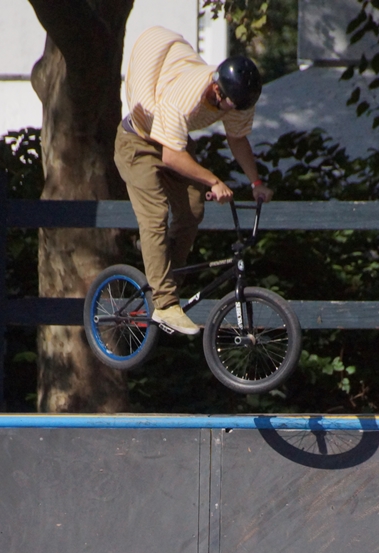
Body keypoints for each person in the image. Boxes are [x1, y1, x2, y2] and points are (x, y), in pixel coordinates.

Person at [114, 26, 275, 336]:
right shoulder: (183, 98)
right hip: (137, 143)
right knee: (155, 215)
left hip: (174, 141)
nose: (234, 111)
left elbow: (237, 138)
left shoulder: (237, 99)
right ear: (217, 90)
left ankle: (163, 275)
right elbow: (172, 157)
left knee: (192, 210)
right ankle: (165, 304)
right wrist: (214, 181)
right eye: (231, 105)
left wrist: (256, 183)